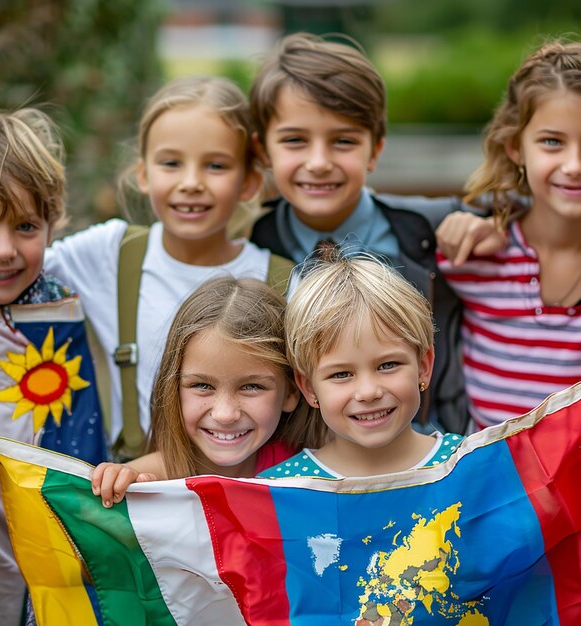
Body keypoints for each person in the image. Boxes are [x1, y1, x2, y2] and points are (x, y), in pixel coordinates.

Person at [248, 32, 488, 436]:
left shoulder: (431, 229)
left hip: (432, 454)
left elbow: (531, 209)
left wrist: (493, 222)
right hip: (305, 465)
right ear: (264, 150)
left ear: (375, 149)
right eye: (295, 141)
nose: (319, 162)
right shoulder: (253, 247)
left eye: (343, 141)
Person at [44, 76, 293, 459]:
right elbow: (6, 269)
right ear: (143, 174)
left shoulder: (282, 281)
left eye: (215, 165)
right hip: (137, 489)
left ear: (249, 182)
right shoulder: (111, 253)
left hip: (247, 494)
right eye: (171, 163)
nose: (191, 183)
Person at [0, 100, 106, 625]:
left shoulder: (62, 310)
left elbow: (79, 435)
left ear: (52, 224)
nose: (3, 249)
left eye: (25, 226)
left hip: (44, 554)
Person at [436, 39, 581, 430]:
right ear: (516, 147)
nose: (573, 165)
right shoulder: (472, 258)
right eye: (552, 141)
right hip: (489, 485)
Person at [90, 276, 304, 507]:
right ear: (173, 388)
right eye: (203, 386)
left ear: (291, 393)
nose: (225, 414)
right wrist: (113, 483)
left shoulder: (310, 476)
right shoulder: (140, 482)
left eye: (252, 387)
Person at [259, 253, 464, 479]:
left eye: (387, 365)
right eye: (342, 374)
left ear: (423, 366)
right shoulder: (282, 491)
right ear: (308, 388)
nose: (368, 392)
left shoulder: (471, 467)